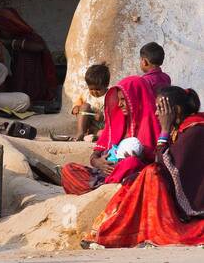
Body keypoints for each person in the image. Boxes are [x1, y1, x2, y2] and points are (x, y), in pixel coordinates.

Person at [84, 87, 204, 248]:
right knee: (141, 177)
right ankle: (108, 232)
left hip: (194, 201)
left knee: (151, 174)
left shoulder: (195, 130)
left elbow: (170, 167)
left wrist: (165, 131)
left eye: (160, 109)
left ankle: (120, 234)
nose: (156, 114)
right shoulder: (185, 128)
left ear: (176, 110)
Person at [61, 74, 161, 195]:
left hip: (130, 176)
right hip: (102, 175)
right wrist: (99, 163)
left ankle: (103, 191)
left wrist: (134, 160)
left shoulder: (154, 125)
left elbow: (157, 165)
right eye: (118, 100)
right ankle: (103, 189)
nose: (119, 104)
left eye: (124, 99)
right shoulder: (116, 121)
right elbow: (95, 155)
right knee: (68, 169)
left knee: (131, 163)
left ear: (137, 98)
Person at [71, 63, 110, 141]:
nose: (94, 92)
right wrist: (75, 107)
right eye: (91, 89)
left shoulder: (110, 95)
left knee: (102, 133)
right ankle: (80, 132)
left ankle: (96, 137)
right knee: (85, 106)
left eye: (98, 89)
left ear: (106, 85)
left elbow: (115, 113)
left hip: (105, 127)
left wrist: (104, 116)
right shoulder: (85, 94)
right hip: (90, 125)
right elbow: (78, 102)